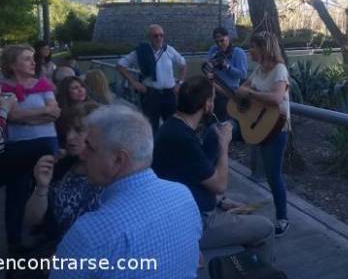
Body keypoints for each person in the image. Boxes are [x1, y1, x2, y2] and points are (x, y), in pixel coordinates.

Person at [50, 105, 202, 278]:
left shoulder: (89, 234)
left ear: (118, 160)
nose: (82, 155)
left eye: (89, 147)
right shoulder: (183, 196)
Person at [152, 76, 274, 264]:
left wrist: (220, 201)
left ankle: (244, 266)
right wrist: (223, 144)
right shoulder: (183, 140)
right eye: (213, 99)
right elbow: (219, 184)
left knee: (245, 203)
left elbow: (188, 179)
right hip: (194, 222)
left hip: (186, 207)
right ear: (207, 105)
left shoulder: (173, 127)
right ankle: (254, 270)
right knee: (266, 227)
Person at [0, 45, 61, 249]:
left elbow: (55, 113)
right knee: (16, 192)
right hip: (17, 146)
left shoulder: (43, 83)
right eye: (27, 59)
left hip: (46, 143)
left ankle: (49, 235)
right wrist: (41, 114)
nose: (33, 62)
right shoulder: (2, 86)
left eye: (33, 58)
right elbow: (11, 115)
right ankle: (15, 244)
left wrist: (24, 118)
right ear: (12, 64)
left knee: (46, 188)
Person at [24, 102, 103, 247]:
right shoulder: (60, 168)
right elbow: (32, 220)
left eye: (78, 130)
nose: (69, 137)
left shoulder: (112, 175)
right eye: (68, 129)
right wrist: (41, 187)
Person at [236, 31, 291, 237]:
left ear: (264, 48)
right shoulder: (259, 69)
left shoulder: (279, 70)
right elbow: (243, 89)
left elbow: (277, 98)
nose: (250, 50)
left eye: (253, 47)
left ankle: (283, 218)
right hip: (259, 125)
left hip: (276, 130)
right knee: (221, 133)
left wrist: (249, 93)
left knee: (273, 176)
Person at [117, 24, 187, 132]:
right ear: (149, 37)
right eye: (155, 36)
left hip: (169, 94)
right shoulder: (141, 52)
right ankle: (153, 148)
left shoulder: (169, 50)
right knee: (150, 128)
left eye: (161, 35)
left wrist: (180, 83)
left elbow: (183, 64)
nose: (159, 38)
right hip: (150, 95)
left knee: (172, 127)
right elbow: (120, 65)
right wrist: (134, 83)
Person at [206, 26, 247, 121]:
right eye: (217, 42)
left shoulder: (238, 53)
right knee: (210, 118)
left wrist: (227, 66)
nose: (220, 44)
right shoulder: (213, 50)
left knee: (224, 121)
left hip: (229, 93)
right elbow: (206, 66)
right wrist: (209, 69)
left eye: (222, 40)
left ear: (228, 37)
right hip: (214, 90)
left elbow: (243, 74)